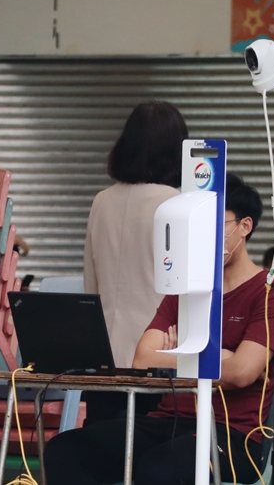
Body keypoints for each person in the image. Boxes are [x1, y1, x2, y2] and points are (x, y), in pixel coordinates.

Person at [44, 173, 274, 485]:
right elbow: (143, 358)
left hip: (232, 435)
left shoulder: (271, 291)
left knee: (159, 470)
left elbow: (243, 372)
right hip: (167, 421)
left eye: (214, 224)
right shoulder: (185, 288)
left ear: (245, 226)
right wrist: (219, 355)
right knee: (65, 450)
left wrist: (178, 354)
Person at [84, 101, 187, 369]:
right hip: (159, 349)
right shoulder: (178, 204)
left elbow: (91, 285)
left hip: (104, 349)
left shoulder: (101, 201)